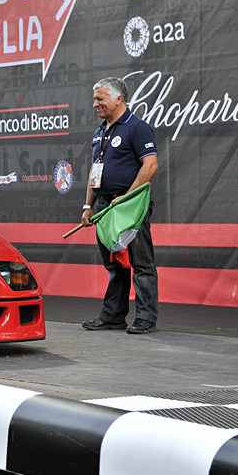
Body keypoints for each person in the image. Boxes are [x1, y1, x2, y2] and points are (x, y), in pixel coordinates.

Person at [79, 76, 159, 335]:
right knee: (115, 263)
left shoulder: (137, 128)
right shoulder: (100, 131)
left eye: (100, 99)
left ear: (118, 99)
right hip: (104, 206)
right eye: (95, 99)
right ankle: (113, 316)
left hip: (129, 205)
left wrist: (125, 197)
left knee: (141, 263)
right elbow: (95, 171)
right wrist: (87, 206)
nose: (95, 104)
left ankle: (146, 317)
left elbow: (151, 166)